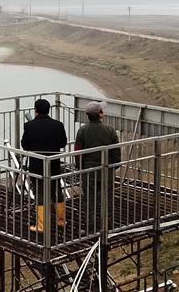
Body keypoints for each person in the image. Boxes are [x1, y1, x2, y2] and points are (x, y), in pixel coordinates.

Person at [21, 98, 68, 232]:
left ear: (36, 111)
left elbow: (25, 145)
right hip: (53, 163)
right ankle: (61, 220)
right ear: (48, 110)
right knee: (56, 190)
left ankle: (42, 225)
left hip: (37, 165)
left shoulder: (29, 126)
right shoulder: (58, 125)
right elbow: (62, 143)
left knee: (40, 192)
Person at [74, 101, 121, 233]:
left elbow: (78, 151)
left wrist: (80, 167)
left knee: (89, 199)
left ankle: (90, 227)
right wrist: (115, 165)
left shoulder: (82, 130)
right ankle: (108, 225)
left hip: (89, 171)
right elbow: (116, 151)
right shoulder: (110, 130)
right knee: (108, 197)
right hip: (106, 170)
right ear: (100, 114)